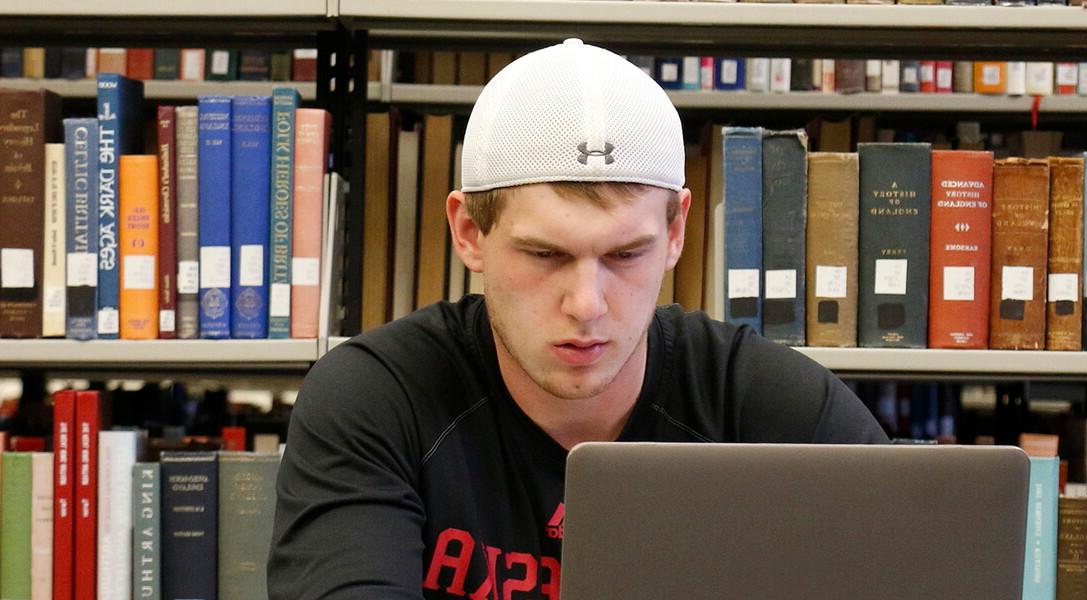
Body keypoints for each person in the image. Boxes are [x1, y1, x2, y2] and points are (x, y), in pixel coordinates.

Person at [267, 38, 888, 600]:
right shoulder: (376, 398)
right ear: (468, 232)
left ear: (676, 232)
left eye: (625, 254)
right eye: (545, 255)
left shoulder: (767, 402)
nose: (587, 303)